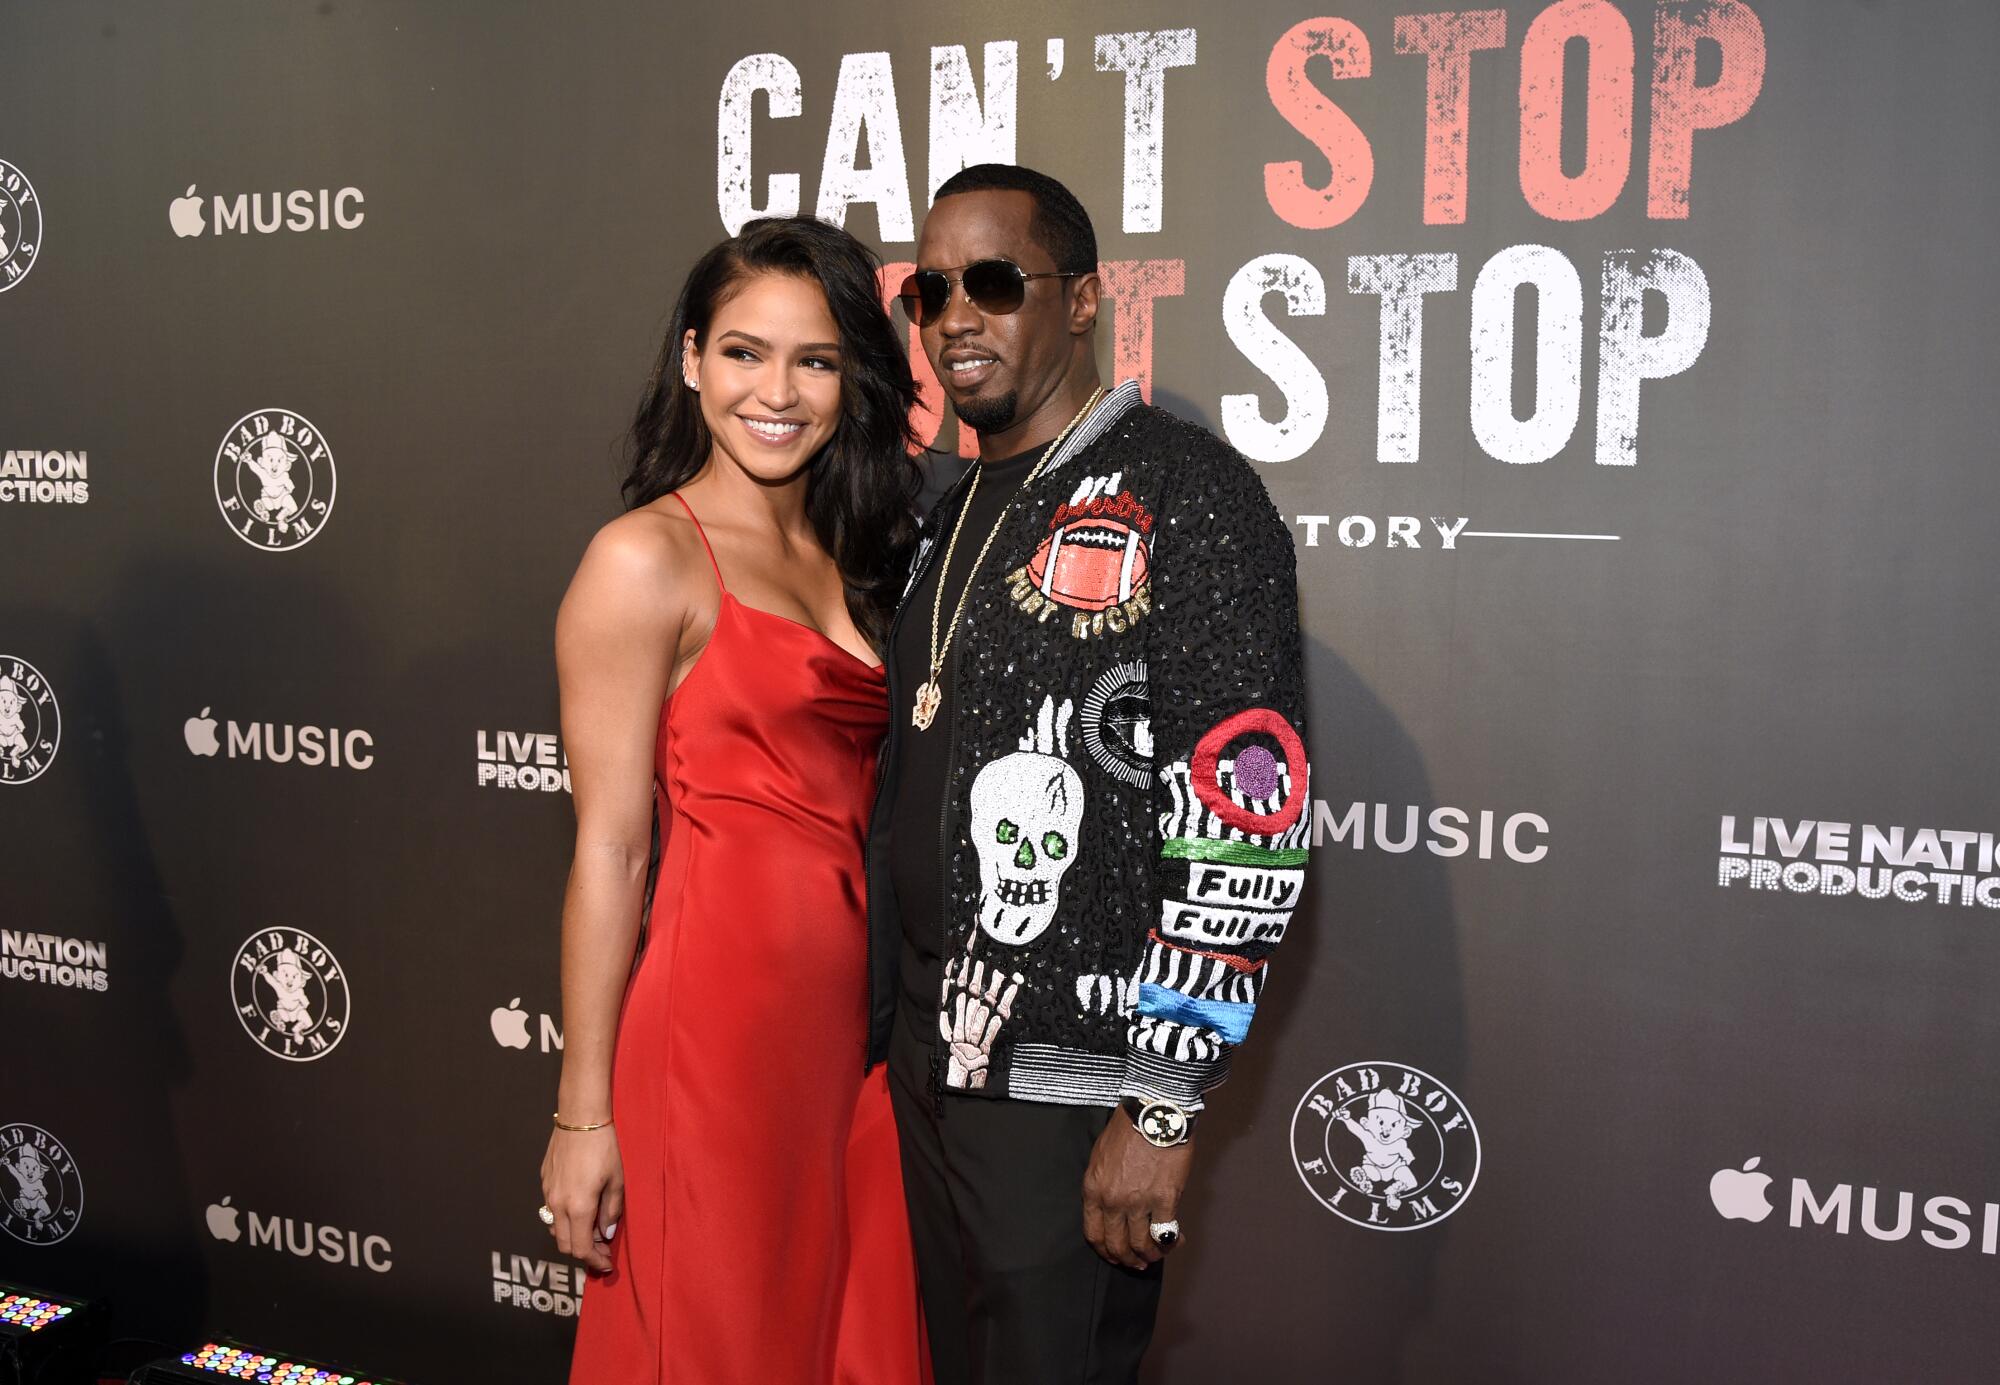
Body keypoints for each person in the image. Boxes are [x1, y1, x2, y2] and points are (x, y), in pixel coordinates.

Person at [867, 164, 1311, 1383]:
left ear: (1079, 301)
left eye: (996, 282)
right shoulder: (942, 511)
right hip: (926, 1051)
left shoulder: (1187, 493)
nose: (957, 316)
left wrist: (1161, 1105)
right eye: (930, 290)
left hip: (1071, 1080)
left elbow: (1248, 812)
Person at [542, 216, 930, 1384]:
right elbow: (610, 851)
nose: (778, 391)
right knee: (724, 1338)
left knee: (838, 1337)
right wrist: (581, 1113)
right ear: (692, 358)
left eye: (814, 360)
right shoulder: (643, 558)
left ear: (851, 377)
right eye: (745, 352)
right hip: (718, 1028)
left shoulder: (858, 547)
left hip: (858, 1039)